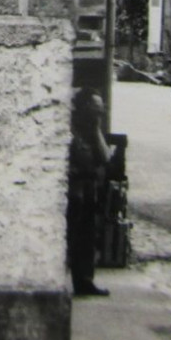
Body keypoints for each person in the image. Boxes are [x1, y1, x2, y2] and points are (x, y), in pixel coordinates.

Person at [67, 87, 111, 297]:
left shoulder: (91, 131)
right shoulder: (69, 129)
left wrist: (96, 129)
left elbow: (104, 157)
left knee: (87, 237)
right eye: (96, 109)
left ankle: (84, 281)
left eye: (101, 110)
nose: (98, 114)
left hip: (88, 188)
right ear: (85, 108)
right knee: (71, 237)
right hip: (74, 189)